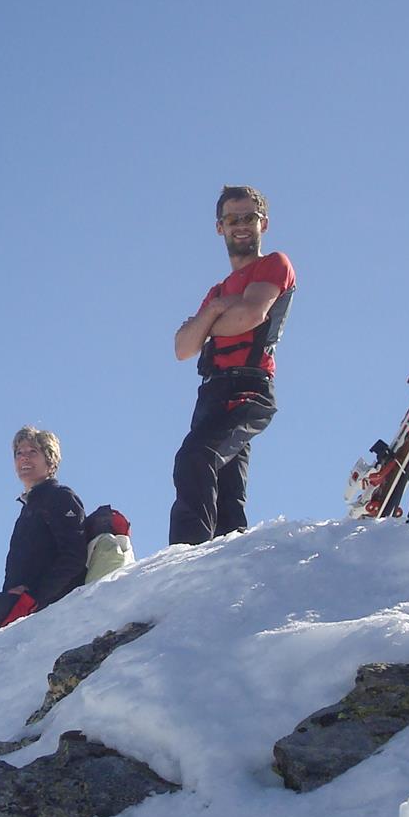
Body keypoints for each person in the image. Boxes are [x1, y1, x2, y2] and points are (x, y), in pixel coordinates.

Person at [169, 185, 297, 546]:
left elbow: (250, 316)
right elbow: (182, 348)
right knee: (227, 485)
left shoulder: (274, 263)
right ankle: (228, 563)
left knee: (197, 457)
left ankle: (185, 555)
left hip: (249, 387)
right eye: (232, 219)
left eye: (248, 218)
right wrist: (213, 311)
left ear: (263, 223)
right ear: (219, 227)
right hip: (212, 391)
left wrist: (205, 326)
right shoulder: (217, 292)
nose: (241, 226)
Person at [0, 427, 88, 646]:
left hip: (48, 599)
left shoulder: (60, 497)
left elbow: (74, 555)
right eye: (19, 453)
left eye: (32, 452)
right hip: (24, 601)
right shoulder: (29, 508)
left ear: (50, 460)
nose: (24, 458)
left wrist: (35, 596)